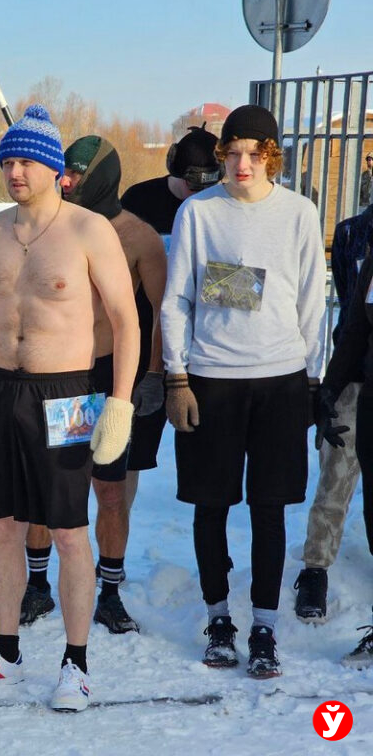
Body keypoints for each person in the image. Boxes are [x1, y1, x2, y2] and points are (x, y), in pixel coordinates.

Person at [0, 105, 138, 713]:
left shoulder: (87, 230)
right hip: (1, 390)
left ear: (54, 168)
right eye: (7, 161)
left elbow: (126, 320)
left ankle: (75, 665)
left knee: (69, 531)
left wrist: (121, 405)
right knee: (2, 526)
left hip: (68, 394)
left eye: (25, 160)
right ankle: (5, 653)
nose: (14, 171)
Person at [161, 104, 326, 680]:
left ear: (273, 157)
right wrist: (176, 376)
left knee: (270, 509)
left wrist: (312, 380)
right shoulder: (199, 214)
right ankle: (217, 619)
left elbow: (312, 299)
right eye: (231, 151)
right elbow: (176, 299)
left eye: (255, 153)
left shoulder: (299, 214)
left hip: (279, 379)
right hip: (211, 380)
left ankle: (263, 625)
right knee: (211, 506)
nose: (241, 163)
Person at [21, 135, 166, 635]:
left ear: (102, 175)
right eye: (65, 172)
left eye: (78, 175)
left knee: (108, 490)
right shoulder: (53, 227)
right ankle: (37, 586)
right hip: (59, 374)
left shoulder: (138, 236)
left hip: (110, 375)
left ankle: (109, 592)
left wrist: (152, 375)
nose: (67, 182)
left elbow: (157, 314)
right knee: (47, 485)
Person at [317, 204, 373, 670]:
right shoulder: (356, 237)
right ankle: (316, 571)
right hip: (361, 380)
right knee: (342, 480)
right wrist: (331, 384)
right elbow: (354, 319)